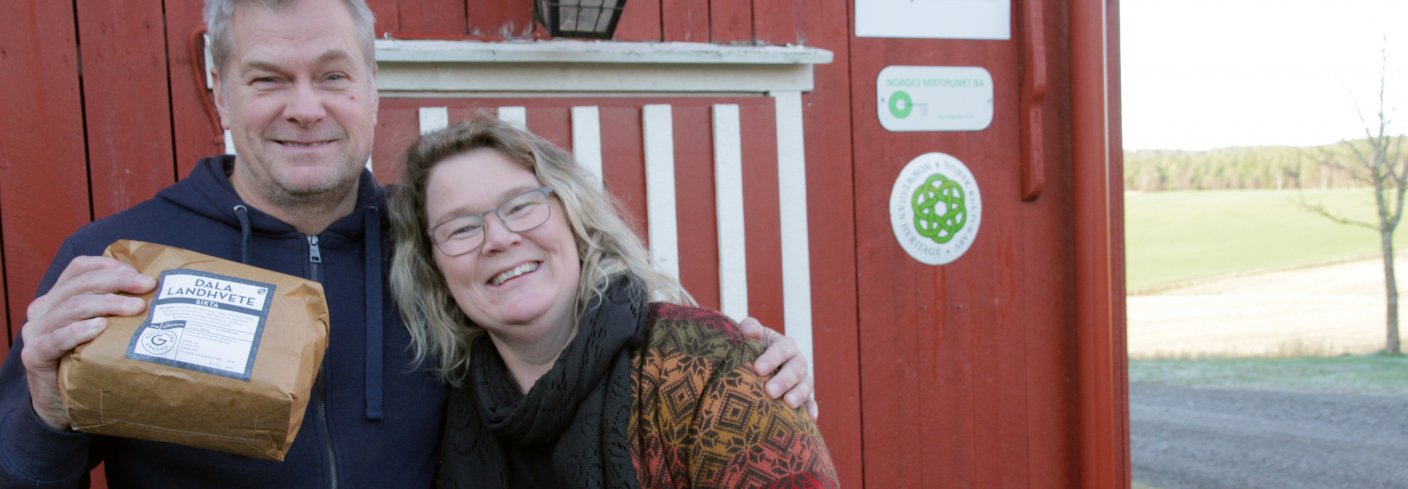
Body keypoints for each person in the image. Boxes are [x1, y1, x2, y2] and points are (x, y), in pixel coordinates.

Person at [0, 0, 814, 487]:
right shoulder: (121, 260)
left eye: (332, 75)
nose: (306, 106)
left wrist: (735, 359)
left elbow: (571, 343)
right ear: (219, 88)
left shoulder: (438, 252)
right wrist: (43, 405)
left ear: (372, 86)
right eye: (268, 79)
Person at [387, 116, 838, 488]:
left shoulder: (711, 367)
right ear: (434, 270)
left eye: (521, 206)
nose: (499, 239)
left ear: (574, 217)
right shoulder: (435, 410)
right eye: (461, 228)